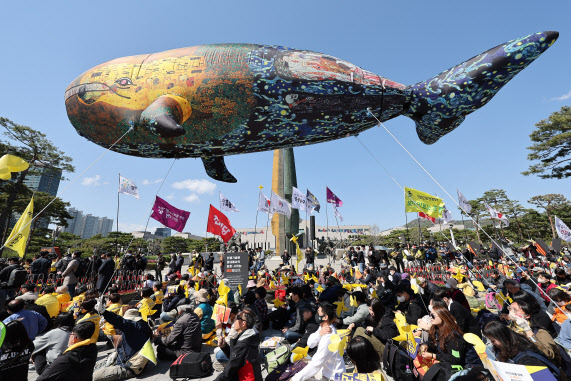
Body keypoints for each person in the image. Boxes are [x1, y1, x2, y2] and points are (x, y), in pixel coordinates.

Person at [483, 320, 563, 380]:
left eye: (493, 341)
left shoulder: (527, 358)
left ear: (503, 338)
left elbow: (544, 379)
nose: (492, 344)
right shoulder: (502, 349)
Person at [418, 306, 481, 380]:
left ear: (443, 317)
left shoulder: (454, 335)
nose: (430, 318)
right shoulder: (436, 329)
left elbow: (455, 359)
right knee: (419, 359)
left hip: (469, 367)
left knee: (438, 369)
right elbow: (432, 342)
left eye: (433, 316)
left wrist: (433, 356)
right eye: (429, 315)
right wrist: (425, 345)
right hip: (450, 361)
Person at [93, 308, 153, 381]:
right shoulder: (142, 325)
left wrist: (104, 312)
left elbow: (119, 321)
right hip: (135, 361)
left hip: (129, 367)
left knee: (94, 376)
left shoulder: (132, 327)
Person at [291, 302, 346, 381]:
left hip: (333, 378)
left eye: (318, 312)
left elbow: (315, 365)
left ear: (325, 317)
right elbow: (310, 344)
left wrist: (294, 379)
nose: (316, 315)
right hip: (326, 373)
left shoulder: (328, 337)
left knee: (301, 376)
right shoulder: (323, 328)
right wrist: (319, 334)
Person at [215, 309, 262, 381]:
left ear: (243, 324)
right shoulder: (249, 335)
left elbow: (228, 372)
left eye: (238, 318)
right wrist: (224, 347)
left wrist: (219, 329)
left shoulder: (245, 343)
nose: (235, 320)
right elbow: (235, 358)